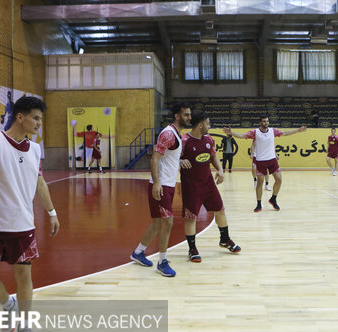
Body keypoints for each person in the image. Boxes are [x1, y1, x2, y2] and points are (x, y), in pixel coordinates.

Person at [0, 96, 59, 332]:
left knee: (24, 276)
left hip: (23, 224)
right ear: (20, 117)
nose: (39, 124)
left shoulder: (35, 149)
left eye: (40, 119)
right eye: (35, 118)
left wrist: (52, 211)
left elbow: (40, 182)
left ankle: (25, 328)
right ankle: (9, 305)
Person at [129, 102, 191, 277]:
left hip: (168, 184)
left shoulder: (177, 135)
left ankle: (139, 252)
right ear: (177, 116)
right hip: (161, 185)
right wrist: (156, 183)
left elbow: (166, 158)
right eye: (186, 115)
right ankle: (162, 262)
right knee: (167, 222)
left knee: (158, 223)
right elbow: (154, 159)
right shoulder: (168, 134)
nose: (189, 117)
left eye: (190, 114)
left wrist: (179, 161)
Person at [180, 111, 241, 262]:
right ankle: (192, 249)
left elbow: (213, 156)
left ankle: (225, 239)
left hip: (208, 183)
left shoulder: (208, 139)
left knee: (220, 210)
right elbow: (171, 158)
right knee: (191, 217)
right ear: (200, 125)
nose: (210, 126)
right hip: (191, 186)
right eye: (208, 123)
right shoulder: (184, 140)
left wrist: (220, 170)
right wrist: (179, 162)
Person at [225, 116, 306, 212]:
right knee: (260, 183)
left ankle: (273, 199)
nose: (266, 122)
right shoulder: (255, 132)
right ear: (260, 122)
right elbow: (243, 136)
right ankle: (258, 204)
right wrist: (231, 133)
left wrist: (298, 130)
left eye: (267, 121)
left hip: (272, 159)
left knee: (279, 180)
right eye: (264, 121)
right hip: (260, 160)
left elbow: (285, 133)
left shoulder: (273, 131)